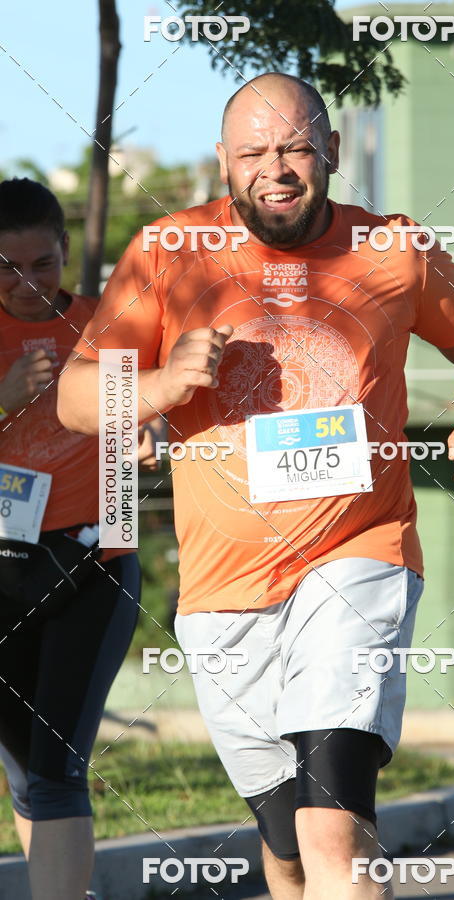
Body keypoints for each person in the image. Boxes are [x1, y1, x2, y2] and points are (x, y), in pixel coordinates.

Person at [58, 73, 454, 898]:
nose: (275, 168)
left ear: (332, 152)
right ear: (222, 162)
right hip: (223, 592)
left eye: (295, 147)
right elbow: (76, 396)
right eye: (253, 152)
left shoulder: (395, 250)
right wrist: (162, 386)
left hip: (359, 554)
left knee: (332, 828)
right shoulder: (167, 253)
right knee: (285, 845)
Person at [0, 178, 141, 900]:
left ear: (67, 250)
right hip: (2, 571)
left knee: (56, 772)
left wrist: (147, 433)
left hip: (95, 560)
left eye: (43, 263)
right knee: (27, 777)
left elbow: (144, 413)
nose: (28, 285)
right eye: (6, 267)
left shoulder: (106, 325)